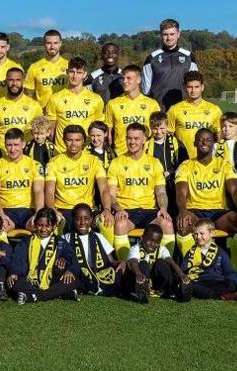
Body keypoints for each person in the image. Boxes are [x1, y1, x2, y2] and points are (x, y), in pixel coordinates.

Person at [174, 128, 237, 266]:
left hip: (218, 212)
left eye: (208, 139)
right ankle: (190, 265)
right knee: (183, 225)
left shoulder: (224, 164)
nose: (204, 142)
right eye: (201, 139)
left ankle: (234, 265)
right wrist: (183, 211)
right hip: (195, 211)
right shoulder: (186, 166)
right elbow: (181, 192)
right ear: (194, 143)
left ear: (213, 143)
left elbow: (235, 190)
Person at [107, 123, 175, 261]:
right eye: (129, 138)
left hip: (149, 211)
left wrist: (163, 208)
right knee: (120, 224)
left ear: (144, 139)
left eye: (136, 138)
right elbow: (111, 194)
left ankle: (166, 265)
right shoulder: (116, 163)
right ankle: (125, 265)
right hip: (127, 211)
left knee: (167, 223)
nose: (132, 142)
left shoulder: (154, 163)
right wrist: (118, 209)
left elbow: (161, 192)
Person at [61, 204, 141, 301]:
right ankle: (71, 290)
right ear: (73, 220)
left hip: (99, 271)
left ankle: (139, 287)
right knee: (69, 276)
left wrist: (120, 262)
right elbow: (61, 256)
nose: (82, 222)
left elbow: (110, 260)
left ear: (91, 219)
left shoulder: (98, 236)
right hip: (79, 272)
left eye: (86, 219)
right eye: (78, 219)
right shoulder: (67, 237)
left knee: (122, 270)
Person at [44, 124, 112, 234]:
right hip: (62, 209)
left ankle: (107, 252)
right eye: (69, 140)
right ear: (64, 141)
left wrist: (107, 210)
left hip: (87, 209)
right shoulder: (53, 162)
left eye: (77, 140)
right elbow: (49, 192)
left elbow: (104, 189)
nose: (73, 144)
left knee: (106, 224)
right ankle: (58, 250)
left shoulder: (94, 161)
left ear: (84, 141)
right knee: (54, 223)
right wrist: (53, 210)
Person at [8, 208, 76, 304]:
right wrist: (15, 273)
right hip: (30, 281)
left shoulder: (60, 241)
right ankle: (57, 293)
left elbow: (72, 259)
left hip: (52, 280)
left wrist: (69, 270)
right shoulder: (27, 241)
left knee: (72, 280)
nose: (43, 229)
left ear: (54, 226)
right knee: (13, 282)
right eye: (40, 225)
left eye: (47, 226)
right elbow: (18, 259)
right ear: (35, 224)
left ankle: (34, 296)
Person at [46, 57, 105, 153]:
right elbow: (51, 130)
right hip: (62, 152)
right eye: (72, 72)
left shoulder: (96, 99)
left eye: (79, 72)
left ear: (85, 74)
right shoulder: (55, 98)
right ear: (66, 72)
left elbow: (99, 130)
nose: (75, 76)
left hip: (87, 153)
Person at [0, 128, 45, 232]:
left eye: (16, 145)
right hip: (6, 211)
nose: (12, 149)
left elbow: (38, 192)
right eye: (9, 145)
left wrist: (38, 214)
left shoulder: (35, 165)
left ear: (23, 144)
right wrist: (0, 214)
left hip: (28, 211)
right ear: (5, 145)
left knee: (40, 227)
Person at [106, 64, 162, 157]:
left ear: (138, 80)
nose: (124, 81)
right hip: (120, 155)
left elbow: (158, 132)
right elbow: (109, 134)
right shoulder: (112, 104)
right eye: (123, 78)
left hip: (146, 156)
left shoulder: (152, 104)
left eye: (128, 78)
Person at [179, 218, 237, 301]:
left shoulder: (221, 253)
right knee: (194, 287)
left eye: (202, 234)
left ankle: (228, 293)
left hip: (216, 281)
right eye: (195, 234)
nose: (198, 237)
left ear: (212, 233)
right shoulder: (190, 252)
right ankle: (222, 296)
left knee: (232, 283)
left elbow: (228, 271)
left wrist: (231, 282)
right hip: (199, 282)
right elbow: (183, 270)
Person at [143, 18, 198, 111]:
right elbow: (146, 90)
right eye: (165, 34)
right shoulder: (151, 58)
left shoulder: (189, 57)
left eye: (172, 34)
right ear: (160, 35)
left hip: (184, 110)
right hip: (159, 111)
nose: (169, 38)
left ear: (178, 34)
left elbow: (195, 85)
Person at [166, 72, 222, 158]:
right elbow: (168, 135)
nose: (193, 91)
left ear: (202, 87)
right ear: (185, 87)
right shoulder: (174, 109)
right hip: (183, 159)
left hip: (208, 159)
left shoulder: (214, 109)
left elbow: (219, 135)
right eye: (189, 87)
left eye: (196, 87)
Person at [127, 224, 183, 301]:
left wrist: (181, 274)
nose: (152, 244)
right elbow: (133, 262)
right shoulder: (135, 248)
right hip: (140, 278)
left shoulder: (162, 249)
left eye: (156, 242)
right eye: (149, 240)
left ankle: (170, 289)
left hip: (155, 281)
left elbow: (171, 262)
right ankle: (143, 290)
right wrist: (138, 274)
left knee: (161, 263)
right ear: (142, 238)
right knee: (143, 263)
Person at [148, 111, 187, 219]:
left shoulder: (175, 143)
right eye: (155, 128)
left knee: (173, 210)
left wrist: (170, 171)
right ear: (150, 127)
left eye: (162, 128)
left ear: (167, 127)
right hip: (154, 183)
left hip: (171, 182)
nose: (159, 132)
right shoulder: (146, 144)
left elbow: (184, 163)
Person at [0, 68, 41, 141]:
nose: (14, 83)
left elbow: (41, 133)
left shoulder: (35, 106)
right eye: (10, 80)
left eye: (18, 80)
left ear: (23, 81)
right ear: (6, 81)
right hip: (3, 151)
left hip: (26, 151)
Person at [25, 29, 68, 107]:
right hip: (42, 116)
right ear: (44, 44)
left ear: (60, 43)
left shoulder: (69, 66)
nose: (52, 47)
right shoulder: (34, 67)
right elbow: (28, 95)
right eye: (49, 43)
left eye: (55, 43)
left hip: (63, 114)